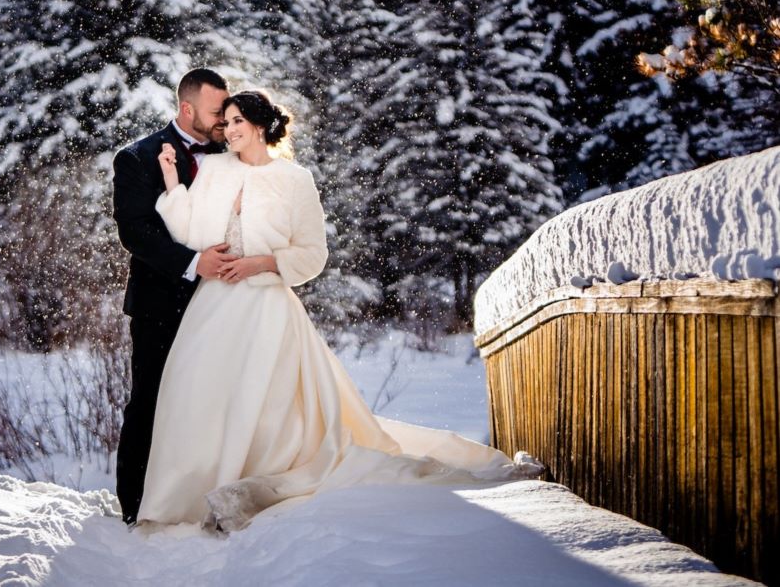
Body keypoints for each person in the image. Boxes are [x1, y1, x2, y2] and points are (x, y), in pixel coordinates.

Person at [137, 89, 542, 532]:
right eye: (226, 122)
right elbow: (190, 231)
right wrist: (173, 182)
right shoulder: (213, 170)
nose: (228, 131)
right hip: (213, 305)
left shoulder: (295, 180)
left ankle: (256, 481)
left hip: (267, 306)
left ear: (259, 126)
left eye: (237, 122)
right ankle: (188, 497)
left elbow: (312, 255)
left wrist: (264, 262)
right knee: (200, 396)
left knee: (268, 404)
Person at [112, 68, 240, 525]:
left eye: (226, 111)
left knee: (218, 401)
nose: (224, 121)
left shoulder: (236, 154)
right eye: (214, 112)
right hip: (161, 305)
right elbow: (136, 232)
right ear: (187, 109)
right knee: (151, 400)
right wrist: (192, 263)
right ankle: (137, 505)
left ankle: (207, 498)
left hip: (227, 303)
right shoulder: (138, 157)